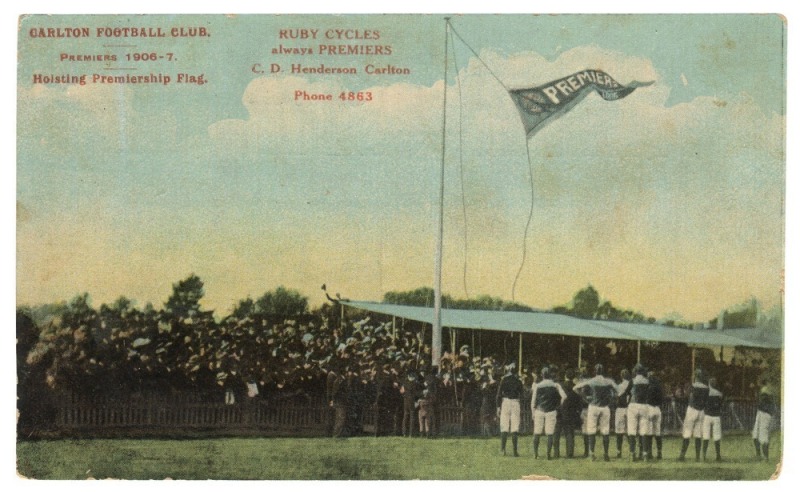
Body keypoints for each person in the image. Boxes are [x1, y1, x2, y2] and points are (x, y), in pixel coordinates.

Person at [573, 363, 618, 461]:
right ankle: (606, 454)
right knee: (605, 431)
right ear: (603, 371)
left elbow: (575, 388)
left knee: (591, 430)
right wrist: (612, 398)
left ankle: (592, 454)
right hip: (605, 407)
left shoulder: (591, 381)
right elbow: (617, 390)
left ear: (595, 371)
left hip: (593, 406)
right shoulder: (608, 381)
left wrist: (585, 398)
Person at [531, 366, 567, 459]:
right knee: (550, 433)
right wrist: (559, 406)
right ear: (550, 375)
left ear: (542, 375)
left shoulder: (537, 386)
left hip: (539, 410)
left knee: (537, 432)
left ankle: (535, 454)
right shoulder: (556, 385)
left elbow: (533, 401)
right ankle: (548, 454)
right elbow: (564, 396)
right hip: (551, 410)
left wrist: (533, 412)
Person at [678, 368, 709, 461]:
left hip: (692, 409)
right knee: (698, 434)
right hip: (701, 411)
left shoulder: (692, 386)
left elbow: (688, 397)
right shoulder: (706, 388)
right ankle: (697, 457)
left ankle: (682, 455)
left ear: (695, 376)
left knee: (687, 432)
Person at [496, 362, 524, 457]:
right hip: (515, 402)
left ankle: (502, 449)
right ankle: (515, 451)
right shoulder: (518, 381)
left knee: (504, 426)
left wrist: (498, 406)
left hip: (506, 402)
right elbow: (523, 395)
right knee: (515, 427)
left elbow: (499, 394)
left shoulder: (504, 380)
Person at [557, 368, 584, 458]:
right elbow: (579, 401)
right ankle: (570, 453)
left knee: (557, 432)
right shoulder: (576, 387)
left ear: (565, 376)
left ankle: (556, 453)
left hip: (561, 411)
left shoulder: (561, 385)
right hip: (572, 412)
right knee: (570, 433)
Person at [627, 364, 650, 461]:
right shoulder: (647, 381)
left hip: (633, 405)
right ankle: (644, 454)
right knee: (644, 431)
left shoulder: (632, 381)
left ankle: (632, 453)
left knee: (632, 430)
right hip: (644, 405)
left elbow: (627, 392)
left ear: (635, 371)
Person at [752, 379, 776, 461]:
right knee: (755, 435)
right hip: (762, 413)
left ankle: (765, 457)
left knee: (763, 436)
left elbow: (761, 404)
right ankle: (759, 455)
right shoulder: (764, 391)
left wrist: (756, 393)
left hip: (765, 414)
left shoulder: (765, 391)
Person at [702, 377, 723, 462]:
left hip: (707, 415)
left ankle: (704, 455)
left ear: (709, 384)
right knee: (717, 436)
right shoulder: (719, 394)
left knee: (706, 436)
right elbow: (721, 404)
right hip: (716, 416)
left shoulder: (706, 393)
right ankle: (718, 455)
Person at [646, 369, 665, 460]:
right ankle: (659, 452)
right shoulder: (659, 386)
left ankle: (649, 453)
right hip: (657, 409)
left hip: (649, 408)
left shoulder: (648, 386)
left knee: (649, 432)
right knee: (657, 432)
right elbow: (662, 398)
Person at [614, 368, 632, 458]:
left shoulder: (619, 386)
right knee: (629, 431)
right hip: (629, 409)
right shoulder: (631, 385)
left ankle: (618, 452)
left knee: (619, 431)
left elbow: (616, 398)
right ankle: (632, 451)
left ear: (621, 376)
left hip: (620, 409)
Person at [399, 371, 419, 437]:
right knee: (412, 416)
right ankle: (411, 433)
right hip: (412, 400)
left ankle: (404, 432)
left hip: (405, 400)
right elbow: (416, 393)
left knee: (405, 416)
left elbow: (401, 391)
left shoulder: (404, 383)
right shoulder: (414, 383)